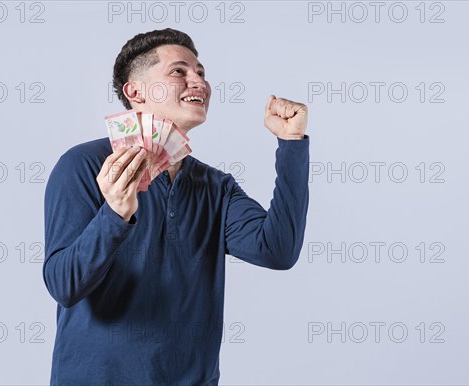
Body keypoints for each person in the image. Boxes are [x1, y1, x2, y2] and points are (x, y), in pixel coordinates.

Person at [43, 28, 310, 385]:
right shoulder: (83, 165)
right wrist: (114, 215)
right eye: (179, 71)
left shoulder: (215, 187)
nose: (198, 81)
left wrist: (291, 145)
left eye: (201, 72)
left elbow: (277, 250)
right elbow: (64, 284)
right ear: (135, 91)